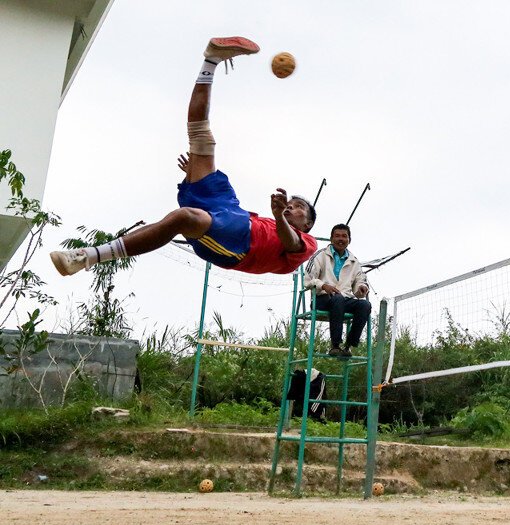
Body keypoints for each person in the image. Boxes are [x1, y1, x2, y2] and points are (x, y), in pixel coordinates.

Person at [50, 36, 317, 277]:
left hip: (238, 243)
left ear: (307, 224)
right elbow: (270, 220)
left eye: (299, 208)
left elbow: (290, 243)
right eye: (291, 203)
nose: (292, 206)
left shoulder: (306, 243)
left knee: (184, 217)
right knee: (201, 137)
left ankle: (86, 257)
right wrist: (194, 174)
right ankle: (211, 59)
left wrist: (279, 216)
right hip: (233, 211)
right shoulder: (271, 219)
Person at [304, 224, 371, 357]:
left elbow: (360, 281)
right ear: (331, 239)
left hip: (344, 299)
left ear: (349, 240)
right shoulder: (320, 255)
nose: (341, 239)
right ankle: (335, 345)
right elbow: (307, 280)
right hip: (322, 299)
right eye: (337, 236)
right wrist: (323, 285)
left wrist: (362, 288)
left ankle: (348, 346)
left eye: (344, 236)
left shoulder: (354, 261)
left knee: (365, 305)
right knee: (337, 299)